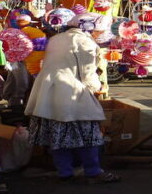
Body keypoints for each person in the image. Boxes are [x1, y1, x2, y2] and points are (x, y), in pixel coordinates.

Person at [25, 13, 120, 183]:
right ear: (91, 28)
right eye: (99, 30)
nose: (100, 34)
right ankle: (93, 171)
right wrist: (98, 87)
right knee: (88, 133)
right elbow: (88, 73)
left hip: (48, 91)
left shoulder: (57, 38)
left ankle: (65, 172)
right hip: (70, 91)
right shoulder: (85, 42)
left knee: (58, 135)